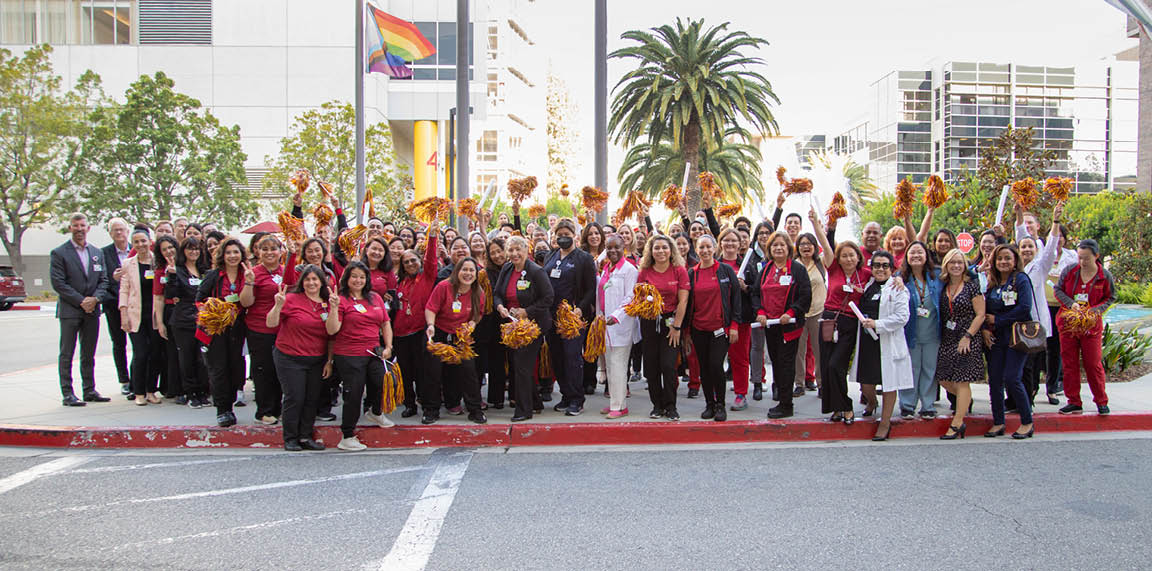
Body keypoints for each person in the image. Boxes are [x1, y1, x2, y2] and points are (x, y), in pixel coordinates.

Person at [267, 266, 336, 451]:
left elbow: (331, 335)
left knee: (311, 399)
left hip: (316, 359)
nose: (311, 283)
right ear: (301, 282)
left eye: (315, 279)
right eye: (307, 279)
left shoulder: (329, 303)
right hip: (290, 358)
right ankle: (290, 437)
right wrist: (277, 305)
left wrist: (329, 361)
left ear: (322, 282)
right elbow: (271, 323)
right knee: (295, 397)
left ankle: (306, 436)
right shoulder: (290, 299)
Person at [328, 261, 395, 451]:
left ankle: (375, 412)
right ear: (347, 279)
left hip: (373, 351)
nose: (358, 280)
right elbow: (332, 329)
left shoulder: (374, 297)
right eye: (354, 276)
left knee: (384, 380)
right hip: (349, 354)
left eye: (362, 277)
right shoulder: (340, 299)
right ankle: (347, 435)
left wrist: (388, 346)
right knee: (354, 392)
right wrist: (333, 309)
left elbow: (385, 323)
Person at [849, 251, 913, 441]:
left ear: (892, 268)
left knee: (889, 384)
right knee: (865, 383)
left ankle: (885, 423)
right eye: (877, 265)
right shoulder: (869, 285)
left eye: (885, 265)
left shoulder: (898, 288)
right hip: (868, 342)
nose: (880, 269)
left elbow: (903, 317)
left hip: (888, 341)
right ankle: (872, 402)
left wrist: (878, 324)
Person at [811, 216, 869, 423]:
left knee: (838, 365)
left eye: (852, 255)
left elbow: (887, 275)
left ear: (858, 256)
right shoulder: (833, 268)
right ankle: (836, 409)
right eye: (844, 256)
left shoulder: (866, 274)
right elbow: (825, 245)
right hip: (828, 320)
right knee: (827, 366)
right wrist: (816, 226)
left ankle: (846, 406)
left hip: (850, 323)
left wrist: (897, 279)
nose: (848, 259)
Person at [750, 231, 811, 419]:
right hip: (771, 325)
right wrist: (760, 312)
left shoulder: (797, 269)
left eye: (782, 245)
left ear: (788, 248)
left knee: (786, 364)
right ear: (769, 249)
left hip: (789, 325)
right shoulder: (766, 269)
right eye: (774, 245)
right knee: (776, 362)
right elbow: (755, 293)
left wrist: (791, 312)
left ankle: (786, 404)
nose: (778, 248)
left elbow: (805, 294)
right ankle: (781, 398)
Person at [50, 213, 110, 406]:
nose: (79, 229)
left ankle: (89, 389)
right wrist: (81, 300)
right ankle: (68, 393)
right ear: (70, 228)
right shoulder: (59, 253)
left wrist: (95, 299)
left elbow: (104, 280)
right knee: (67, 353)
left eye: (82, 225)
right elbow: (58, 283)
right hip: (70, 311)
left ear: (88, 228)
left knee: (88, 353)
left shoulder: (96, 253)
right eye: (75, 226)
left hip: (92, 311)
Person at [495, 236, 555, 421]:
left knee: (522, 365)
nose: (514, 254)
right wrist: (500, 307)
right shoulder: (507, 268)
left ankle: (524, 410)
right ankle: (535, 403)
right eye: (510, 250)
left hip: (533, 326)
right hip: (513, 325)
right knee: (519, 365)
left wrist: (526, 311)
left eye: (517, 250)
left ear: (526, 250)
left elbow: (548, 298)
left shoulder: (536, 271)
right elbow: (497, 293)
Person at [1055, 239, 1116, 415]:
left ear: (1096, 256)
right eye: (1080, 257)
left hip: (1091, 325)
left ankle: (1101, 401)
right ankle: (1074, 401)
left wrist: (1095, 311)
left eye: (1086, 258)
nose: (1082, 262)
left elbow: (1110, 297)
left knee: (1093, 363)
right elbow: (1058, 290)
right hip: (1069, 323)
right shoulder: (1070, 271)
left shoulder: (1104, 276)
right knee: (1069, 363)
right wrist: (1071, 303)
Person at [423, 258, 487, 425]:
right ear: (457, 271)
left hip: (461, 336)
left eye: (471, 270)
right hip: (440, 333)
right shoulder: (444, 286)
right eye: (464, 269)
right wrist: (430, 325)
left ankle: (474, 410)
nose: (468, 273)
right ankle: (431, 410)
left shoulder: (478, 292)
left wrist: (471, 325)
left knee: (469, 371)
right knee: (433, 372)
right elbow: (431, 308)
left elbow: (477, 315)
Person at [1011, 204, 1063, 410]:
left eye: (1030, 247)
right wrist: (1018, 213)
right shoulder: (1013, 269)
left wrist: (1056, 221)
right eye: (1022, 247)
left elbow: (1051, 246)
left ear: (1036, 249)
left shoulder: (1040, 267)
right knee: (1018, 366)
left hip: (1034, 325)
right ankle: (1017, 400)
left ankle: (1027, 401)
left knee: (1030, 365)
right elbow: (1021, 232)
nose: (1026, 249)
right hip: (1015, 323)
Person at [543, 220, 597, 416]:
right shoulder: (551, 254)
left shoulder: (583, 258)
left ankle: (577, 398)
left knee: (572, 357)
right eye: (559, 234)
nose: (562, 237)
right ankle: (566, 395)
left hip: (573, 317)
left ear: (574, 235)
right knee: (557, 357)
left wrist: (580, 309)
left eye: (567, 233)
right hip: (552, 316)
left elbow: (591, 289)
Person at [982, 244, 1035, 439]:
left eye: (1007, 258)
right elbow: (985, 310)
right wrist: (986, 328)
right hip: (996, 338)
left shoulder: (1021, 279)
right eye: (999, 259)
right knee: (995, 380)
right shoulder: (992, 283)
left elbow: (1024, 308)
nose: (1003, 262)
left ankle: (1027, 422)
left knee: (1012, 378)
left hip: (1016, 337)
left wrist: (998, 320)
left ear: (1015, 262)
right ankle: (998, 422)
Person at [686, 235, 740, 421]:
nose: (705, 250)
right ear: (696, 249)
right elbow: (686, 303)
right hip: (699, 328)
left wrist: (734, 325)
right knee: (704, 368)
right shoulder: (692, 273)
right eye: (701, 247)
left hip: (720, 329)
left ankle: (720, 405)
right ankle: (709, 404)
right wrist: (686, 332)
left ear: (715, 248)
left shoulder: (725, 270)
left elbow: (736, 299)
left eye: (709, 247)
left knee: (716, 365)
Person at [196, 238, 249, 427]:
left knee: (236, 367)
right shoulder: (214, 275)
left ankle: (233, 397)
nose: (232, 256)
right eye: (228, 253)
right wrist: (212, 312)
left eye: (236, 252)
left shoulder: (247, 275)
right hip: (216, 329)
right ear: (222, 255)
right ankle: (223, 409)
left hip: (238, 327)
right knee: (218, 368)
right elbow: (199, 299)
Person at [636, 235, 689, 421]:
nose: (660, 251)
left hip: (671, 322)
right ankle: (656, 405)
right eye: (656, 248)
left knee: (668, 366)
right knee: (651, 367)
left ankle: (670, 405)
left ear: (671, 250)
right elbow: (639, 297)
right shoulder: (644, 272)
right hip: (649, 321)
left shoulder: (679, 271)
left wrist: (677, 326)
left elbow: (683, 301)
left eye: (664, 248)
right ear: (651, 251)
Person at [936, 249, 986, 439]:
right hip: (948, 337)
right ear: (946, 265)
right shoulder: (943, 286)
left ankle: (957, 423)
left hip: (967, 337)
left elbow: (981, 314)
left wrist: (968, 336)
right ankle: (965, 400)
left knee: (961, 380)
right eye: (952, 262)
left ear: (965, 265)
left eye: (960, 262)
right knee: (943, 378)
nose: (956, 266)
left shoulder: (972, 286)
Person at [393, 223, 441, 418]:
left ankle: (428, 406)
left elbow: (431, 259)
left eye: (414, 260)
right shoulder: (399, 283)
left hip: (421, 332)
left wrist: (432, 236)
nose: (411, 264)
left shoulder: (427, 277)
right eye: (407, 262)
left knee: (424, 372)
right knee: (405, 372)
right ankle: (409, 404)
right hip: (400, 334)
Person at [239, 234, 286, 425]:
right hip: (260, 329)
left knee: (279, 370)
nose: (269, 252)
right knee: (263, 370)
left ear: (280, 251)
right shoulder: (253, 272)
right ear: (257, 251)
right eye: (264, 249)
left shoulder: (286, 272)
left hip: (282, 330)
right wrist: (249, 282)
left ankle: (276, 407)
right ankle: (264, 410)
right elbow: (245, 302)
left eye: (273, 248)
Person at [594, 235, 639, 419]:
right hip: (605, 324)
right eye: (609, 248)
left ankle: (619, 406)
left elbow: (631, 298)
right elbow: (600, 295)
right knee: (611, 366)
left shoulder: (630, 270)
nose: (613, 251)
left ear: (624, 248)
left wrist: (616, 316)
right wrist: (600, 317)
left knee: (618, 365)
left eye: (616, 247)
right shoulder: (606, 269)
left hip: (621, 325)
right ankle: (615, 401)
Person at [117, 228, 163, 406]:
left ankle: (151, 390)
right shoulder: (128, 263)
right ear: (133, 244)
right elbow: (124, 289)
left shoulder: (157, 262)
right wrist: (123, 314)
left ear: (149, 241)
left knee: (154, 354)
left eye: (143, 241)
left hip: (154, 315)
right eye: (136, 242)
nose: (140, 245)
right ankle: (139, 392)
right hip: (135, 314)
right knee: (141, 354)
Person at [165, 236, 211, 408]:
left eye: (197, 248)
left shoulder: (204, 269)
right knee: (187, 357)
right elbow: (171, 294)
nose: (194, 252)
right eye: (190, 248)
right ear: (183, 251)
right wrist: (171, 277)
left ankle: (202, 391)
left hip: (203, 319)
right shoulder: (177, 270)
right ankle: (190, 392)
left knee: (202, 357)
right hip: (184, 320)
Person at [898, 241, 942, 419]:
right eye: (912, 253)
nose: (916, 256)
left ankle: (928, 405)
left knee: (930, 370)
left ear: (926, 256)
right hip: (911, 334)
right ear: (907, 257)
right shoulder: (899, 278)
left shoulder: (937, 276)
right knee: (911, 369)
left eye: (920, 252)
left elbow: (963, 271)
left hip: (933, 333)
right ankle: (907, 405)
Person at [716, 229, 753, 411]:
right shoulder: (713, 264)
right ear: (720, 243)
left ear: (740, 244)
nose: (730, 244)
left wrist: (744, 287)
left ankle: (741, 394)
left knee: (739, 358)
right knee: (715, 358)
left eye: (734, 241)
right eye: (726, 240)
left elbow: (756, 291)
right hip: (716, 320)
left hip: (741, 320)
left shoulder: (747, 265)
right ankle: (716, 391)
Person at [101, 217, 132, 396]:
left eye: (122, 229)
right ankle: (124, 380)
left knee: (140, 345)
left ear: (127, 231)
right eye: (115, 230)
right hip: (113, 304)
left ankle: (137, 378)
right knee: (119, 343)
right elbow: (101, 281)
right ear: (110, 233)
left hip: (135, 304)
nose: (119, 233)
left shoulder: (135, 250)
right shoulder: (103, 253)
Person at [793, 228, 826, 398]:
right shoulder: (793, 265)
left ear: (814, 246)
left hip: (818, 313)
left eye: (809, 244)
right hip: (798, 314)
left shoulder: (821, 263)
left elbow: (829, 247)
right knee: (798, 350)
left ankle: (821, 383)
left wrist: (817, 225)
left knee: (819, 350)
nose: (805, 247)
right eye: (802, 244)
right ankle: (799, 384)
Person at [152, 235, 181, 401]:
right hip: (170, 312)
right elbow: (158, 298)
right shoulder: (159, 272)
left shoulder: (185, 267)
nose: (169, 251)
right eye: (164, 249)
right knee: (172, 352)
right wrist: (160, 322)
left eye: (171, 247)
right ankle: (174, 389)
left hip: (186, 311)